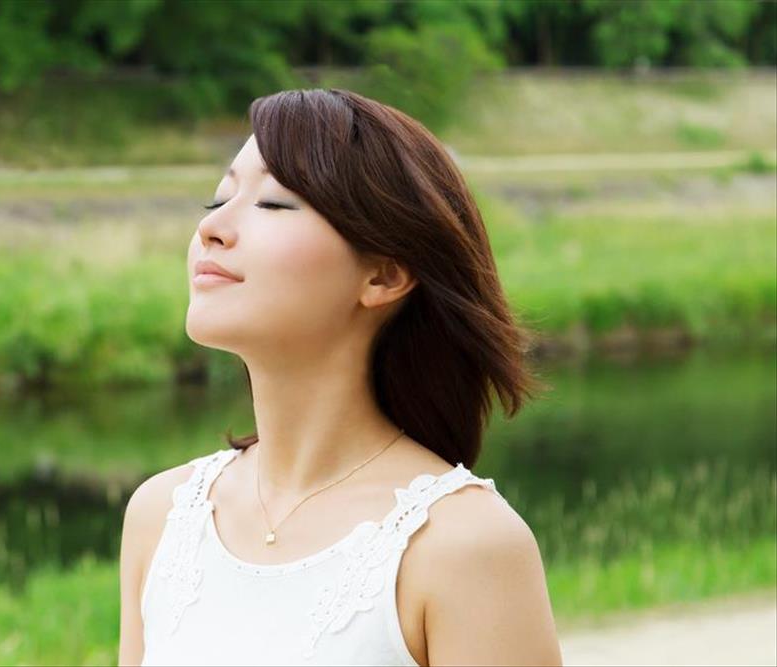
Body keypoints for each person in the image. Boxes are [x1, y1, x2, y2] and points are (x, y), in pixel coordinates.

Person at [118, 88, 562, 666]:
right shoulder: (164, 514)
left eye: (274, 203)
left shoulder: (462, 545)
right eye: (217, 199)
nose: (213, 229)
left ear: (383, 276)